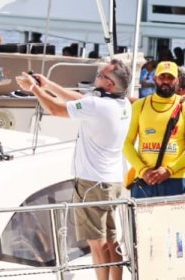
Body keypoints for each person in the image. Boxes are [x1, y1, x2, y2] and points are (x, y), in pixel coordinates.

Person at [16, 60, 132, 280]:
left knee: (97, 246)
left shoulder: (98, 106)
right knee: (112, 242)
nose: (96, 77)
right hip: (112, 181)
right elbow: (81, 100)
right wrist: (48, 84)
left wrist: (33, 89)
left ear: (108, 84)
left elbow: (55, 109)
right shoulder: (122, 103)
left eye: (100, 75)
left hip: (92, 183)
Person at [123, 61, 185, 199]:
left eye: (170, 78)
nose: (166, 81)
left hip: (176, 179)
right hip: (145, 180)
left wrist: (169, 170)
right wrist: (143, 170)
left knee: (175, 221)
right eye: (162, 77)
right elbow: (126, 143)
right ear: (154, 78)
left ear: (177, 80)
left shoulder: (183, 106)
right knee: (141, 221)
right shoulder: (140, 105)